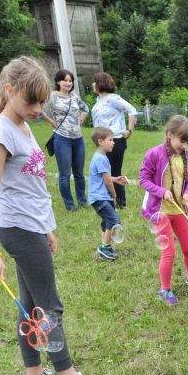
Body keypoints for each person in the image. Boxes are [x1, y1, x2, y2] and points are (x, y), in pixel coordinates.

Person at [0, 56, 112, 375]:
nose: (38, 108)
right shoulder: (1, 131)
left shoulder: (21, 124)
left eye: (42, 101)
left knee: (31, 306)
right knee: (50, 307)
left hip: (31, 228)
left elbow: (30, 185)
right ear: (9, 90)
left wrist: (47, 228)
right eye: (31, 100)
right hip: (17, 230)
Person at [139, 115, 188, 306]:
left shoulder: (187, 156)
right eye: (182, 141)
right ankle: (165, 289)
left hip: (179, 209)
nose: (185, 146)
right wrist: (161, 191)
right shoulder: (154, 154)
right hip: (160, 210)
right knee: (169, 252)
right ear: (170, 134)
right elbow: (143, 180)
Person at [43, 69, 90, 210]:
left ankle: (82, 201)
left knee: (79, 173)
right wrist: (51, 121)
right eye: (65, 80)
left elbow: (85, 108)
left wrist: (82, 118)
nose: (68, 83)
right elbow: (41, 109)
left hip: (78, 139)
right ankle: (70, 205)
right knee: (64, 174)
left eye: (70, 81)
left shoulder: (74, 97)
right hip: (62, 139)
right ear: (58, 81)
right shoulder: (53, 96)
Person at [92, 72, 137, 210]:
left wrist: (129, 130)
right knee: (105, 171)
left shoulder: (113, 98)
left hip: (115, 140)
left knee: (114, 171)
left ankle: (120, 203)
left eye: (95, 82)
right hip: (102, 142)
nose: (93, 84)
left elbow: (132, 110)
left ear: (101, 83)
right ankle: (108, 199)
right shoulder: (98, 101)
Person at [89, 126, 129, 261]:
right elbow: (107, 181)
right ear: (101, 141)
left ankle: (105, 247)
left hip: (99, 197)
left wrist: (116, 179)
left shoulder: (101, 157)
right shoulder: (100, 158)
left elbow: (105, 177)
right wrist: (114, 194)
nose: (113, 142)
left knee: (107, 221)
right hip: (100, 198)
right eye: (110, 140)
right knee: (114, 220)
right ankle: (104, 248)